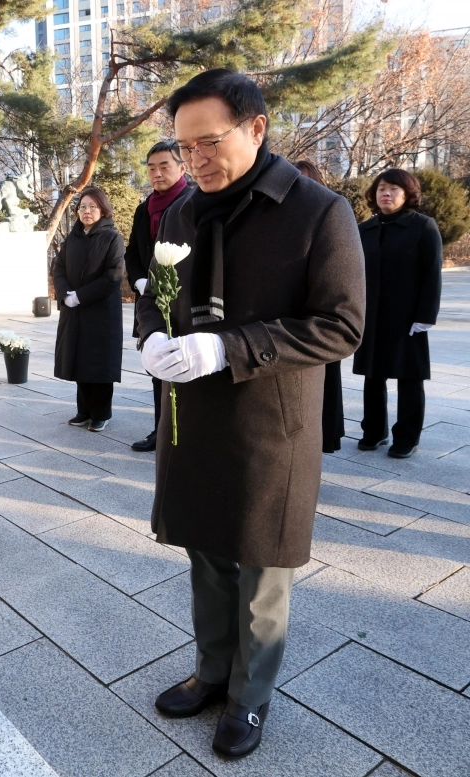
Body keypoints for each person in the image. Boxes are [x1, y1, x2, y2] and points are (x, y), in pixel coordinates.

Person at [135, 69, 364, 758]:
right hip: (194, 413)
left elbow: (342, 325)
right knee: (206, 550)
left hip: (272, 422)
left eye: (209, 142)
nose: (194, 159)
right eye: (184, 145)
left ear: (257, 128)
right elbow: (153, 288)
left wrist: (227, 346)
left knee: (263, 564)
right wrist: (149, 332)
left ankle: (251, 692)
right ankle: (211, 669)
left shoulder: (319, 212)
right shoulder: (179, 212)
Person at [352, 168, 442, 458]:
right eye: (380, 189)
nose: (385, 193)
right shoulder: (365, 229)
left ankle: (407, 437)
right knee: (372, 375)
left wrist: (426, 315)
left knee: (409, 377)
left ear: (407, 194)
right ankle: (374, 431)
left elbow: (432, 274)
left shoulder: (423, 227)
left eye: (393, 189)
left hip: (407, 318)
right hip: (372, 315)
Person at [125, 141, 195, 452]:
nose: (156, 173)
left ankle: (190, 432)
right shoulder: (145, 209)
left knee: (189, 366)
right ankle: (161, 431)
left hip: (187, 302)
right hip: (152, 302)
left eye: (164, 166)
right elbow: (131, 254)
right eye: (151, 167)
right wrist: (140, 280)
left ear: (182, 167)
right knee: (157, 367)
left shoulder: (194, 203)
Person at [53, 186, 125, 432]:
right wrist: (65, 296)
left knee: (100, 363)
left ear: (102, 209)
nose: (87, 211)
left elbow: (114, 275)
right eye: (83, 207)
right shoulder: (71, 239)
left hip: (101, 311)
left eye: (92, 206)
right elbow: (58, 269)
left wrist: (81, 296)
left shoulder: (112, 238)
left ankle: (101, 413)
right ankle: (83, 410)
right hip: (74, 311)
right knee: (79, 360)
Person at [293, 159, 347, 453]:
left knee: (328, 377)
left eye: (303, 180)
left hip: (321, 312)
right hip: (291, 312)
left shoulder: (330, 214)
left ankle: (328, 434)